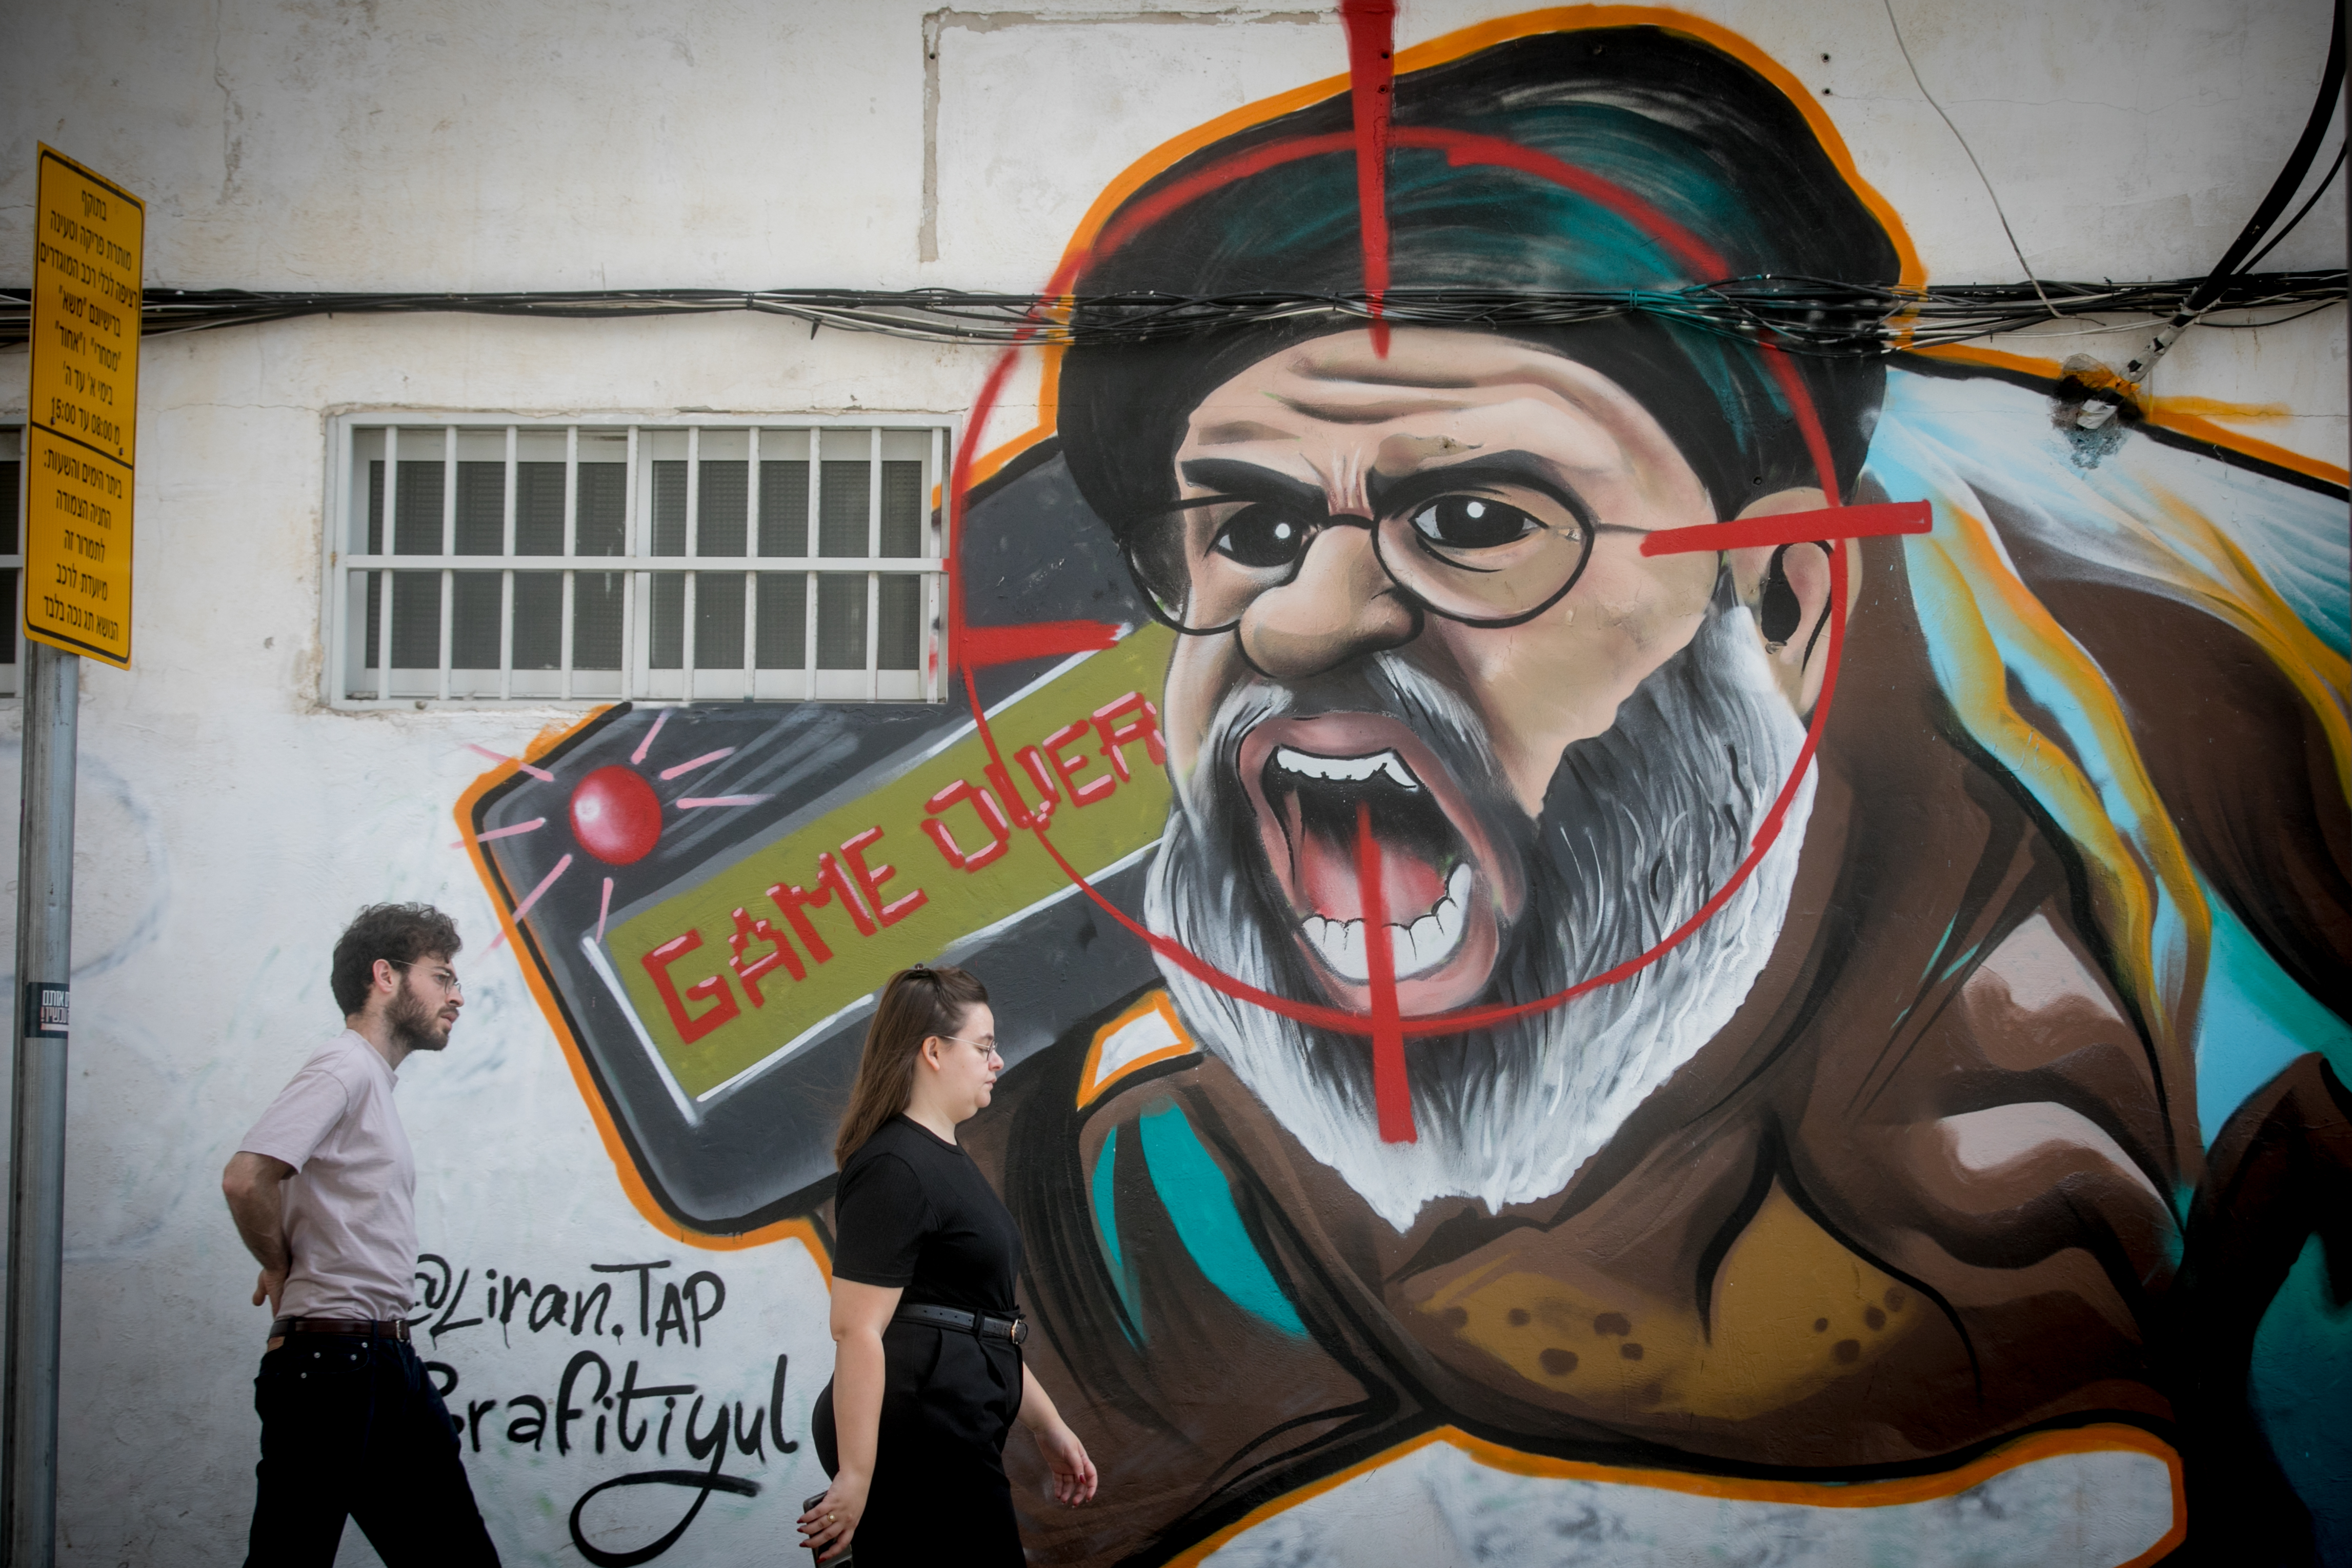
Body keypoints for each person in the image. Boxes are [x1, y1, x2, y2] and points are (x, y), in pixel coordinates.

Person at [957, 14, 2350, 1565]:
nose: (1296, 618)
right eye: (1252, 533)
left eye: (1473, 516)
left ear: (1775, 597)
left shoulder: (2206, 1006)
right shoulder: (1170, 1189)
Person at [220, 903, 500, 1566]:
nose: (457, 996)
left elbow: (292, 1192)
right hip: (332, 1364)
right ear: (385, 975)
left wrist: (283, 1254)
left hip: (382, 1361)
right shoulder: (343, 1065)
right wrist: (280, 1266)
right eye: (441, 976)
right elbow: (245, 1177)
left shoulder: (369, 1080)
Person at [798, 964, 1098, 1565]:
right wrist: (857, 1475)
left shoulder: (939, 1158)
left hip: (949, 1423)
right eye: (984, 1046)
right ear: (933, 1051)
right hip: (922, 1433)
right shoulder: (895, 1166)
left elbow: (981, 1319)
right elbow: (856, 1327)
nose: (998, 1062)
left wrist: (1047, 1423)